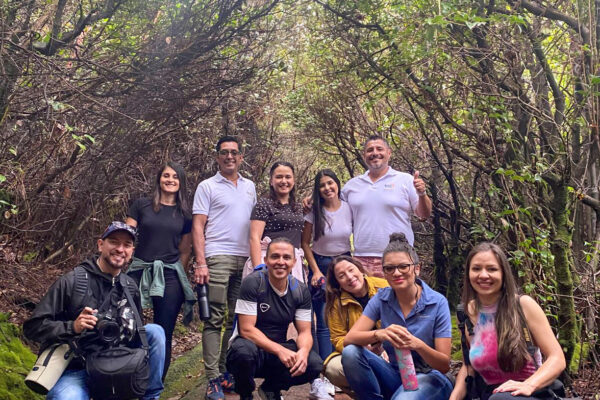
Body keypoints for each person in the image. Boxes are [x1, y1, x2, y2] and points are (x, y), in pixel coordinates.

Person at [23, 221, 166, 400]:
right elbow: (32, 327)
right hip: (78, 369)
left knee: (155, 332)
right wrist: (72, 327)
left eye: (127, 245)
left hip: (119, 364)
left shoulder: (130, 287)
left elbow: (138, 334)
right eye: (114, 242)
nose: (120, 249)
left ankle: (151, 397)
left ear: (132, 252)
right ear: (100, 245)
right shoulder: (73, 281)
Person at [342, 233, 453, 400]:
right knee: (350, 353)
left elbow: (444, 365)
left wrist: (418, 345)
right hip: (396, 372)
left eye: (403, 266)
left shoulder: (437, 302)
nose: (396, 273)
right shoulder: (381, 298)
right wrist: (379, 334)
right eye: (389, 268)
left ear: (417, 268)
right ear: (384, 272)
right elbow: (349, 340)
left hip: (431, 376)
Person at [449, 243, 566, 400]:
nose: (483, 275)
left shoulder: (523, 306)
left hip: (530, 392)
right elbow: (468, 366)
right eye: (476, 268)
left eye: (492, 269)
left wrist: (530, 385)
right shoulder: (465, 313)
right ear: (468, 273)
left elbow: (557, 358)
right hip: (488, 394)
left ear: (503, 273)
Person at [303, 135, 432, 277]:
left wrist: (422, 193)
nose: (375, 153)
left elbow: (423, 215)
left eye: (379, 149)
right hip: (361, 259)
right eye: (370, 150)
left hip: (399, 256)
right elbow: (332, 202)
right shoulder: (352, 185)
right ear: (364, 155)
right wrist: (312, 198)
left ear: (389, 153)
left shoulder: (405, 180)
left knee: (402, 298)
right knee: (366, 299)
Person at [192, 135, 257, 399]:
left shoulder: (250, 186)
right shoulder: (207, 186)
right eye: (224, 153)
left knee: (235, 320)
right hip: (217, 257)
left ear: (241, 157)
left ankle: (223, 371)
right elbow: (198, 225)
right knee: (213, 319)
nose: (229, 156)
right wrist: (201, 262)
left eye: (234, 152)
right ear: (217, 157)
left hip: (244, 260)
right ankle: (212, 378)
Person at [226, 237, 323, 400]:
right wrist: (279, 350)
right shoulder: (253, 283)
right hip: (251, 350)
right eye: (275, 256)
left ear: (294, 262)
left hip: (278, 353)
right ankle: (245, 393)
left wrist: (303, 352)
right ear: (266, 260)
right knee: (243, 352)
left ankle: (271, 388)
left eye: (286, 257)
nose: (280, 262)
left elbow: (305, 332)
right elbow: (246, 329)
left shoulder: (299, 290)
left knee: (314, 363)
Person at [126, 161, 196, 380]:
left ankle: (155, 385)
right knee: (127, 325)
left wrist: (180, 275)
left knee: (164, 331)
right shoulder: (141, 205)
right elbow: (125, 237)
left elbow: (185, 249)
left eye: (175, 177)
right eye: (166, 175)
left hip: (169, 274)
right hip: (139, 269)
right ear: (159, 179)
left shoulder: (185, 213)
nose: (170, 180)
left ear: (181, 182)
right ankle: (125, 377)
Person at [301, 169, 352, 361]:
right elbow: (305, 243)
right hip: (320, 264)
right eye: (322, 185)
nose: (327, 188)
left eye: (330, 183)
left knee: (344, 315)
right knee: (323, 320)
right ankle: (325, 370)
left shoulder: (349, 207)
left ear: (337, 184)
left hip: (345, 263)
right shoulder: (314, 212)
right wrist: (315, 271)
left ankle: (343, 365)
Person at [323, 255, 388, 396]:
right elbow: (338, 339)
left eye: (351, 270)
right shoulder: (337, 303)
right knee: (333, 368)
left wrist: (388, 347)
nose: (349, 277)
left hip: (392, 348)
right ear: (338, 283)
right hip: (360, 351)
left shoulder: (384, 287)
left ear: (360, 269)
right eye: (342, 276)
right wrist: (363, 347)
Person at [248, 161, 305, 283]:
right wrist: (259, 269)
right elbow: (254, 238)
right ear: (271, 181)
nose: (284, 181)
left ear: (293, 181)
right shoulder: (264, 204)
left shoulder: (298, 207)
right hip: (269, 262)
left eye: (288, 177)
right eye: (279, 177)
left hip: (292, 263)